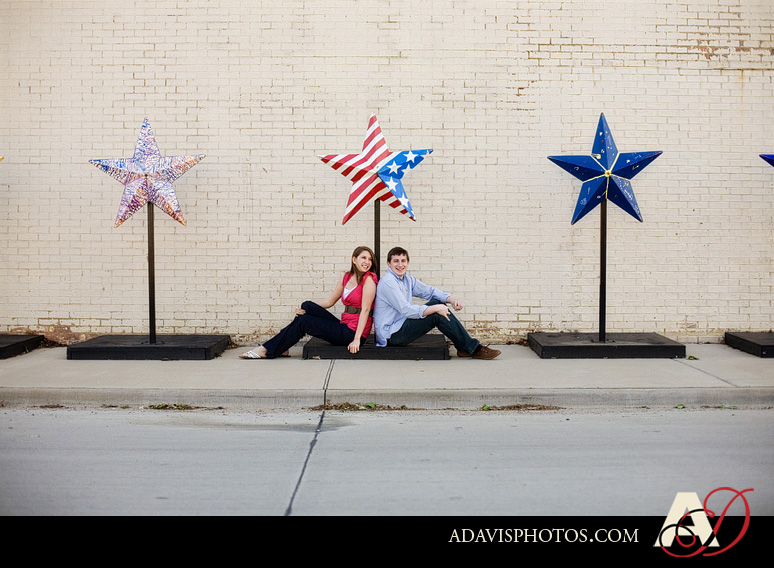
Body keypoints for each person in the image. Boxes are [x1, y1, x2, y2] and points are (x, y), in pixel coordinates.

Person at [240, 246, 378, 358]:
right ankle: (282, 347)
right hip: (344, 326)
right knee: (307, 306)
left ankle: (267, 349)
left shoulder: (369, 280)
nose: (367, 262)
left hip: (353, 332)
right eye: (363, 258)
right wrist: (302, 308)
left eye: (370, 259)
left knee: (304, 321)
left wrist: (357, 340)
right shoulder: (347, 277)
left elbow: (365, 311)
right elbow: (330, 301)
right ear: (354, 259)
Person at [374, 246, 500, 359]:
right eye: (396, 261)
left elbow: (429, 291)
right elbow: (406, 310)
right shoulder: (389, 283)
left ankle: (465, 347)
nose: (400, 265)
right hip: (391, 336)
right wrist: (435, 308)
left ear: (408, 263)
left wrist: (451, 300)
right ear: (388, 264)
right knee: (435, 312)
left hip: (400, 326)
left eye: (403, 261)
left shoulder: (406, 279)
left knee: (437, 302)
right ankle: (471, 348)